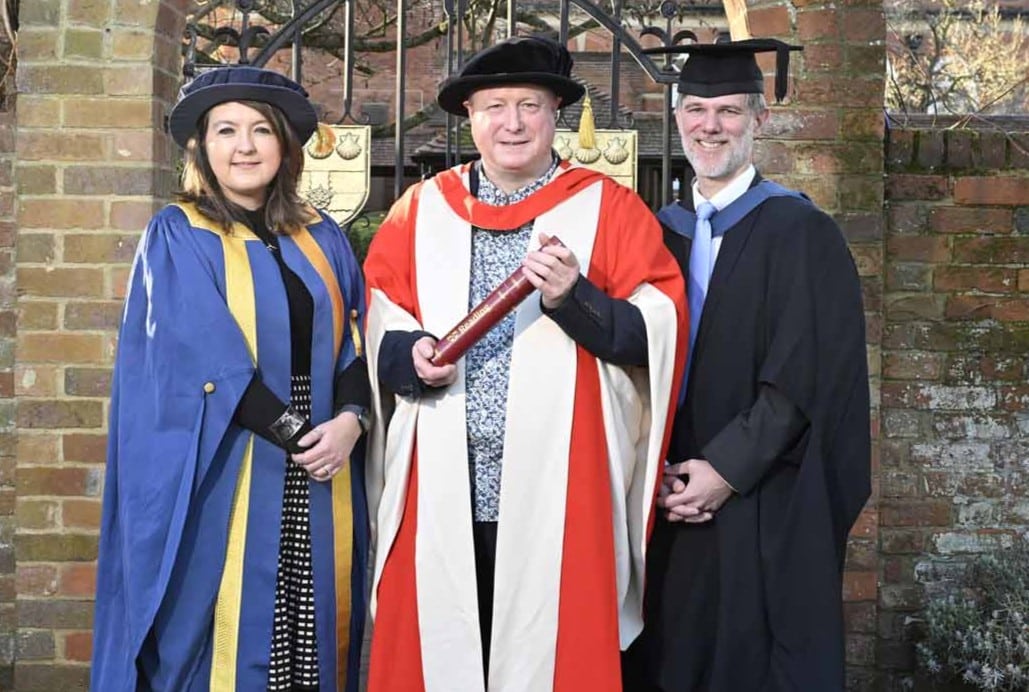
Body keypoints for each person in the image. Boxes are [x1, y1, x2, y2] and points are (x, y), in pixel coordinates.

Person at [361, 35, 687, 691]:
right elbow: (376, 315)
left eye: (529, 106)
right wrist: (408, 354)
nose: (511, 123)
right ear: (470, 118)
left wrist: (574, 297)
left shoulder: (608, 209)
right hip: (442, 478)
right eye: (494, 107)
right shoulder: (419, 210)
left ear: (554, 115)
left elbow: (655, 328)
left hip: (563, 482)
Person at [91, 66, 371, 691]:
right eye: (226, 130)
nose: (244, 146)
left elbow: (356, 343)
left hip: (325, 462)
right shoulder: (179, 234)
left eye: (260, 130)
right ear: (201, 146)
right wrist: (303, 436)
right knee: (223, 634)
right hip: (234, 462)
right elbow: (205, 362)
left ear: (284, 147)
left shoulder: (321, 235)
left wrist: (351, 423)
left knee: (312, 631)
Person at [622, 39, 871, 691]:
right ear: (677, 118)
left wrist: (724, 471)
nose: (711, 125)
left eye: (729, 111)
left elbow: (805, 375)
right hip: (664, 497)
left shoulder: (799, 233)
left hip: (758, 499)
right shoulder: (657, 232)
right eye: (698, 108)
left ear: (759, 121)